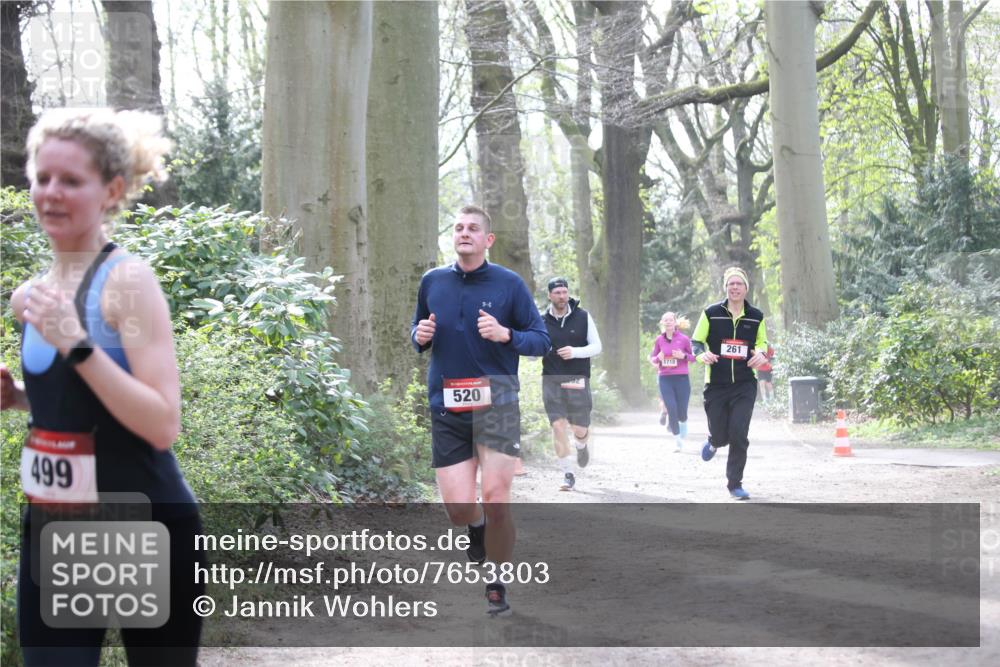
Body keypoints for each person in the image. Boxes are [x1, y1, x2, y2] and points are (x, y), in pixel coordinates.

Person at [1, 108, 202, 665]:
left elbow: (162, 423)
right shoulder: (29, 297)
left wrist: (78, 344)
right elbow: (80, 404)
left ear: (111, 190)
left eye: (71, 180)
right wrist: (19, 397)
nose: (51, 193)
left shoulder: (126, 284)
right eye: (42, 178)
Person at [411, 205, 550, 617]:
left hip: (499, 403)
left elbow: (540, 340)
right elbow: (418, 329)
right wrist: (418, 334)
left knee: (496, 497)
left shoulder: (509, 284)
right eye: (458, 228)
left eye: (473, 228)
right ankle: (475, 528)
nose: (464, 233)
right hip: (447, 407)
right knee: (457, 510)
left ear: (488, 239)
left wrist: (507, 334)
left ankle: (497, 582)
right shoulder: (432, 281)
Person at [690, 267, 769, 500]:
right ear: (725, 288)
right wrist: (700, 355)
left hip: (745, 383)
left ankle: (735, 484)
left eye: (739, 284)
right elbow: (696, 341)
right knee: (721, 434)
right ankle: (714, 442)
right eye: (730, 284)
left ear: (746, 288)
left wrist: (762, 353)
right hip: (716, 383)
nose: (735, 287)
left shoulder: (756, 316)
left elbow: (762, 342)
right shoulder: (711, 313)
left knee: (739, 433)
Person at [540, 277, 602, 491]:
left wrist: (575, 352)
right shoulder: (541, 320)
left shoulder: (583, 316)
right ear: (549, 295)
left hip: (577, 377)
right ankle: (567, 473)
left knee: (579, 428)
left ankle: (581, 445)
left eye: (565, 292)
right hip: (551, 379)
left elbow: (597, 346)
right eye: (557, 293)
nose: (562, 296)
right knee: (558, 426)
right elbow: (533, 348)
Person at [648, 312, 694, 452]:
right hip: (665, 378)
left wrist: (683, 355)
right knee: (671, 409)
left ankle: (684, 422)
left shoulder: (684, 339)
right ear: (662, 322)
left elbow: (693, 357)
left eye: (670, 320)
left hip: (681, 378)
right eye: (665, 320)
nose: (668, 322)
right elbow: (653, 358)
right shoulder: (659, 340)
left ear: (675, 322)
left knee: (682, 412)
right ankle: (677, 440)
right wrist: (658, 358)